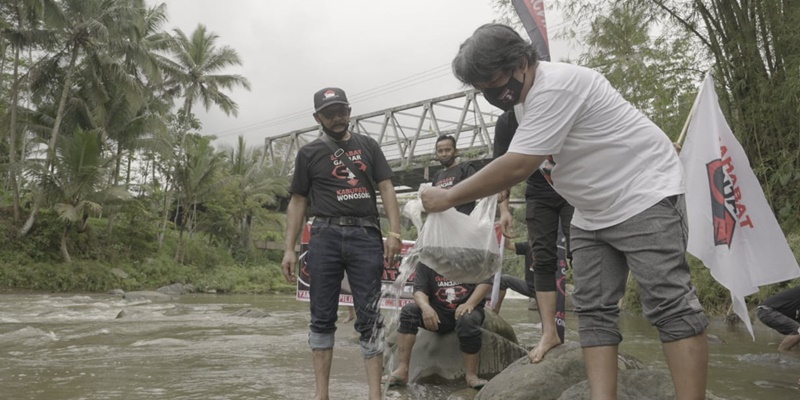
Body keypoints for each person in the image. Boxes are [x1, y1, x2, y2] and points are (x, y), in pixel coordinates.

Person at [422, 23, 709, 400]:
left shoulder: (556, 86)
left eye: (491, 81)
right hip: (591, 209)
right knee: (593, 310)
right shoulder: (522, 102)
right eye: (479, 87)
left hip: (644, 193)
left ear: (522, 62)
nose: (489, 93)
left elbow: (517, 165)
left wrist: (447, 198)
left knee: (669, 303)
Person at [281, 87, 402, 400]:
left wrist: (394, 232)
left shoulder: (369, 146)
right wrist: (289, 248)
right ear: (317, 117)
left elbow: (387, 188)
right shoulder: (309, 153)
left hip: (366, 236)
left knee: (369, 316)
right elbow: (297, 201)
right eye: (329, 113)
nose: (337, 118)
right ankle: (322, 395)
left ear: (349, 110)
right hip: (324, 236)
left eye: (341, 111)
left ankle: (375, 395)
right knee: (321, 317)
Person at [494, 108, 574, 362]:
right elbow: (502, 168)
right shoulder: (507, 121)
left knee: (584, 253)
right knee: (543, 258)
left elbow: (607, 134)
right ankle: (549, 333)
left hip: (576, 187)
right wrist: (504, 210)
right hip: (539, 192)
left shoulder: (563, 102)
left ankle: (597, 330)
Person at [385, 263, 492, 389]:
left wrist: (470, 303)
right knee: (409, 311)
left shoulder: (471, 257)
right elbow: (419, 291)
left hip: (467, 310)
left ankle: (471, 375)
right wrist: (426, 308)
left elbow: (485, 282)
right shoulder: (428, 260)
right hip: (438, 313)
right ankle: (402, 370)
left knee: (467, 320)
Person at [492, 239, 536, 314]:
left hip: (546, 289)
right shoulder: (529, 245)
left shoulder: (551, 248)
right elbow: (508, 245)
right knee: (503, 280)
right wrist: (504, 233)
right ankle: (494, 313)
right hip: (530, 287)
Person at [756, 286, 800, 352]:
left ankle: (791, 353)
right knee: (798, 330)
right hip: (767, 311)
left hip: (769, 311)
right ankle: (783, 351)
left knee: (796, 331)